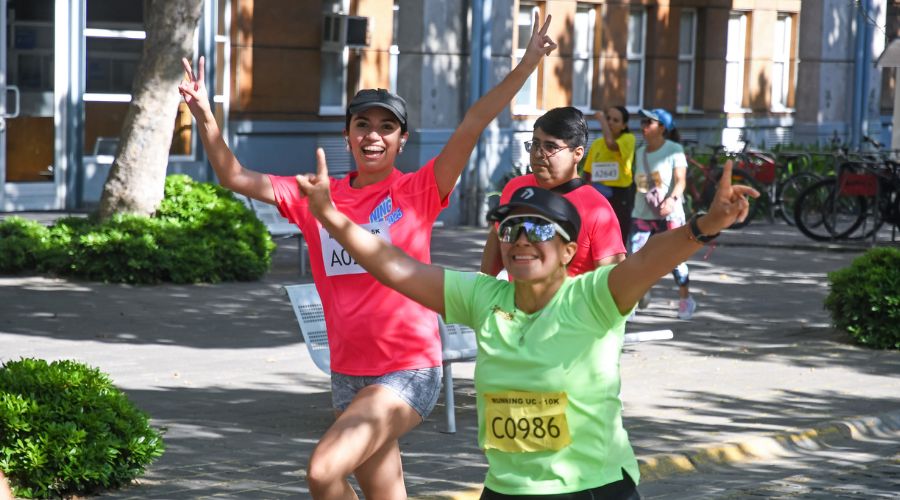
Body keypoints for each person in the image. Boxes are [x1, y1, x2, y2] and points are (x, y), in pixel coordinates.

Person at [177, 14, 557, 499]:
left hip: (408, 368)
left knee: (323, 471)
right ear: (348, 134)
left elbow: (474, 121)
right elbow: (233, 175)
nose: (373, 135)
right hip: (347, 371)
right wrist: (206, 117)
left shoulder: (421, 188)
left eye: (387, 127)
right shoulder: (316, 194)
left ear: (402, 139)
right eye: (363, 125)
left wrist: (526, 66)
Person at [296, 150, 757, 498]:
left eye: (538, 230)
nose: (520, 240)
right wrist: (331, 216)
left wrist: (706, 225)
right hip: (506, 490)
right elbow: (393, 266)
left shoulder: (593, 296)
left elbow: (652, 259)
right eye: (509, 228)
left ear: (570, 251)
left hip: (589, 488)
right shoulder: (483, 298)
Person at [481, 107, 624, 278]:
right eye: (535, 144)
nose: (538, 153)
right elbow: (497, 237)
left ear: (577, 154)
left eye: (550, 147)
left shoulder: (597, 209)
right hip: (517, 304)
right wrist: (483, 289)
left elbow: (613, 283)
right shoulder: (515, 188)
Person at [631, 108, 695, 320]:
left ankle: (686, 300)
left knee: (675, 259)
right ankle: (630, 302)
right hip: (642, 212)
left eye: (649, 122)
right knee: (634, 257)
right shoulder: (640, 152)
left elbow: (681, 181)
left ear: (662, 128)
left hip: (669, 213)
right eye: (642, 122)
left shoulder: (674, 149)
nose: (644, 126)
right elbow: (640, 182)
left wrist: (672, 199)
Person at [582, 106, 636, 243]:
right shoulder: (597, 143)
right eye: (608, 118)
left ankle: (620, 261)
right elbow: (588, 172)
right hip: (599, 192)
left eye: (615, 120)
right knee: (598, 231)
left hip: (620, 193)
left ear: (624, 125)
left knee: (619, 232)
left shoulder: (629, 139)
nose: (610, 122)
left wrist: (602, 120)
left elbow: (611, 144)